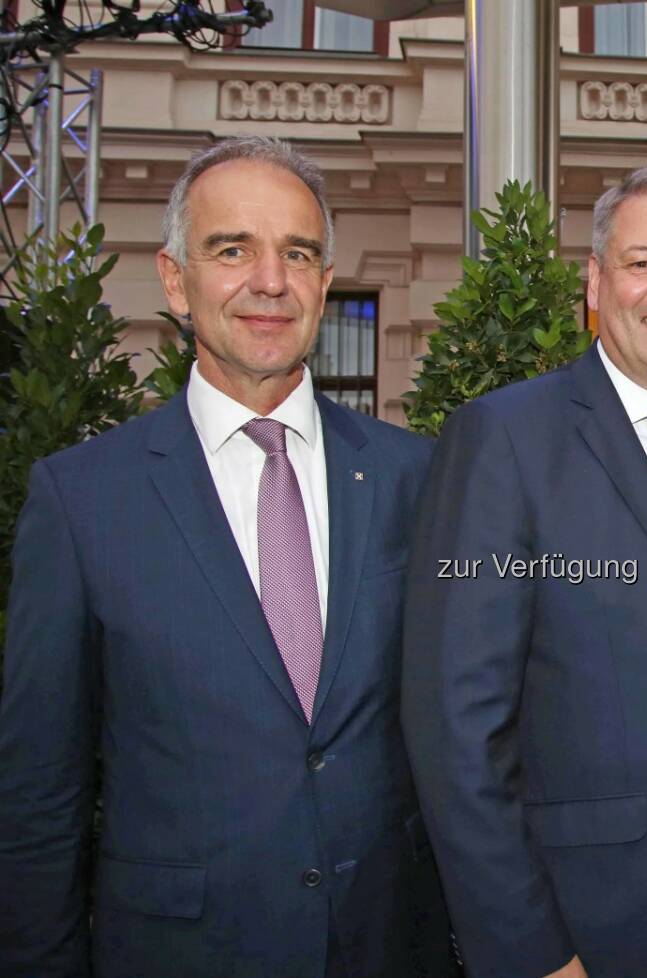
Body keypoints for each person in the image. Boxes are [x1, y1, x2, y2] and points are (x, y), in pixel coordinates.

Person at [0, 136, 454, 977]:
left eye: (298, 253)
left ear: (324, 281)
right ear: (176, 280)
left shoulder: (418, 478)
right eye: (232, 249)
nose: (270, 281)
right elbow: (38, 797)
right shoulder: (82, 500)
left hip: (391, 943)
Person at [402, 163, 647, 978]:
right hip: (592, 929)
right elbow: (457, 728)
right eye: (643, 264)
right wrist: (528, 950)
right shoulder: (504, 439)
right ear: (596, 284)